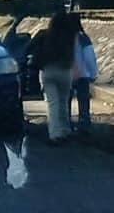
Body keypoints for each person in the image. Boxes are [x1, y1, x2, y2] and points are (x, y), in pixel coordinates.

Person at [28, 11, 78, 145]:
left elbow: (29, 47)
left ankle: (55, 134)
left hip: (48, 70)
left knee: (52, 103)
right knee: (63, 102)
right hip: (65, 70)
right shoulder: (70, 36)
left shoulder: (44, 34)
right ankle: (65, 130)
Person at [70, 13, 98, 134]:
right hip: (82, 74)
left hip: (66, 74)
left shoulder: (63, 38)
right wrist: (93, 73)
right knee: (83, 101)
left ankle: (66, 124)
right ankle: (84, 125)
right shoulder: (83, 37)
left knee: (65, 101)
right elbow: (89, 57)